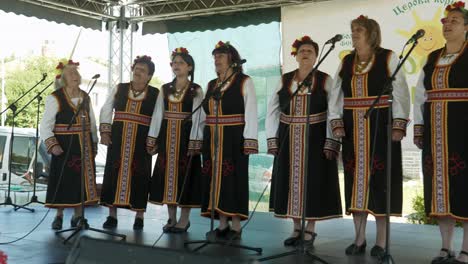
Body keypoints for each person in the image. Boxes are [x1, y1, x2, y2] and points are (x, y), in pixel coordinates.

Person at [328, 15, 410, 257]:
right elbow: (335, 95)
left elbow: (401, 91)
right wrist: (336, 123)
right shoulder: (346, 61)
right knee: (355, 185)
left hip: (380, 128)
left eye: (358, 30)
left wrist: (398, 124)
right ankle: (359, 238)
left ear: (372, 34)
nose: (353, 34)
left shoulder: (388, 56)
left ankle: (382, 241)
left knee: (380, 185)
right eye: (352, 30)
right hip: (353, 130)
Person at [266, 35, 342, 248]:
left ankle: (310, 229)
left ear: (316, 55)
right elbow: (272, 109)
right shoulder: (285, 79)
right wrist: (273, 139)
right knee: (289, 182)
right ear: (296, 56)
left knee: (314, 181)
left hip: (316, 137)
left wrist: (331, 140)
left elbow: (334, 109)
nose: (305, 53)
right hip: (288, 137)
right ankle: (296, 228)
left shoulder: (325, 79)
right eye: (302, 51)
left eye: (310, 50)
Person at [413, 2, 468, 263]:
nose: (448, 25)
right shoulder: (432, 57)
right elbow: (420, 94)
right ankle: (446, 247)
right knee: (439, 191)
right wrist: (419, 126)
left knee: (465, 188)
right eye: (446, 21)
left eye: (455, 21)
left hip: (464, 133)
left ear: (467, 27)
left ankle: (467, 250)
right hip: (436, 136)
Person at [200, 41, 258, 240]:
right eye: (215, 57)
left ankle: (235, 225)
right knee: (214, 180)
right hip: (212, 137)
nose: (216, 60)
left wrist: (249, 139)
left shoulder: (244, 81)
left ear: (232, 59)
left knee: (233, 180)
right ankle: (222, 223)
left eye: (221, 56)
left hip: (234, 137)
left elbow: (251, 111)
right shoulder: (211, 85)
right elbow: (203, 113)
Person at [147, 47, 204, 233]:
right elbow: (157, 114)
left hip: (186, 139)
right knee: (166, 178)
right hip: (167, 139)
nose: (176, 66)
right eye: (174, 63)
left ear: (190, 67)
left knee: (185, 178)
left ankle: (184, 219)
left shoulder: (196, 89)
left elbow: (199, 117)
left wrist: (195, 141)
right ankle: (171, 217)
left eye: (180, 63)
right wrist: (152, 138)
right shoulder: (165, 88)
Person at [99, 55, 159, 230]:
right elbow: (106, 108)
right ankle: (112, 216)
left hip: (142, 141)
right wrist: (105, 131)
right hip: (118, 138)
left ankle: (139, 216)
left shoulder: (155, 93)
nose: (138, 72)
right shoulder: (120, 88)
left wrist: (154, 140)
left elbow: (158, 117)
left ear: (149, 76)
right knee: (113, 174)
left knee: (140, 176)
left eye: (142, 70)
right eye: (136, 69)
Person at [41, 59, 98, 230]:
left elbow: (92, 122)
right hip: (64, 147)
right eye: (71, 73)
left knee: (81, 183)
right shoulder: (55, 98)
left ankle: (78, 216)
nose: (75, 75)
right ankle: (58, 216)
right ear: (63, 78)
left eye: (76, 72)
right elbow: (45, 125)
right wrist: (53, 144)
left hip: (84, 146)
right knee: (62, 180)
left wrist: (94, 142)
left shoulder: (85, 96)